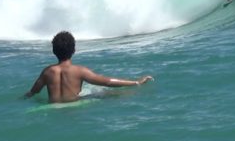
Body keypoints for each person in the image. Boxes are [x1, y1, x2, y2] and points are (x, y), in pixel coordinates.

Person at [21, 31, 154, 103]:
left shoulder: (47, 72)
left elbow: (33, 92)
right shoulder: (79, 71)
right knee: (107, 93)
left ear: (54, 51)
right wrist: (136, 82)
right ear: (74, 50)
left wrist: (24, 97)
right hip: (74, 107)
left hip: (52, 106)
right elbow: (107, 81)